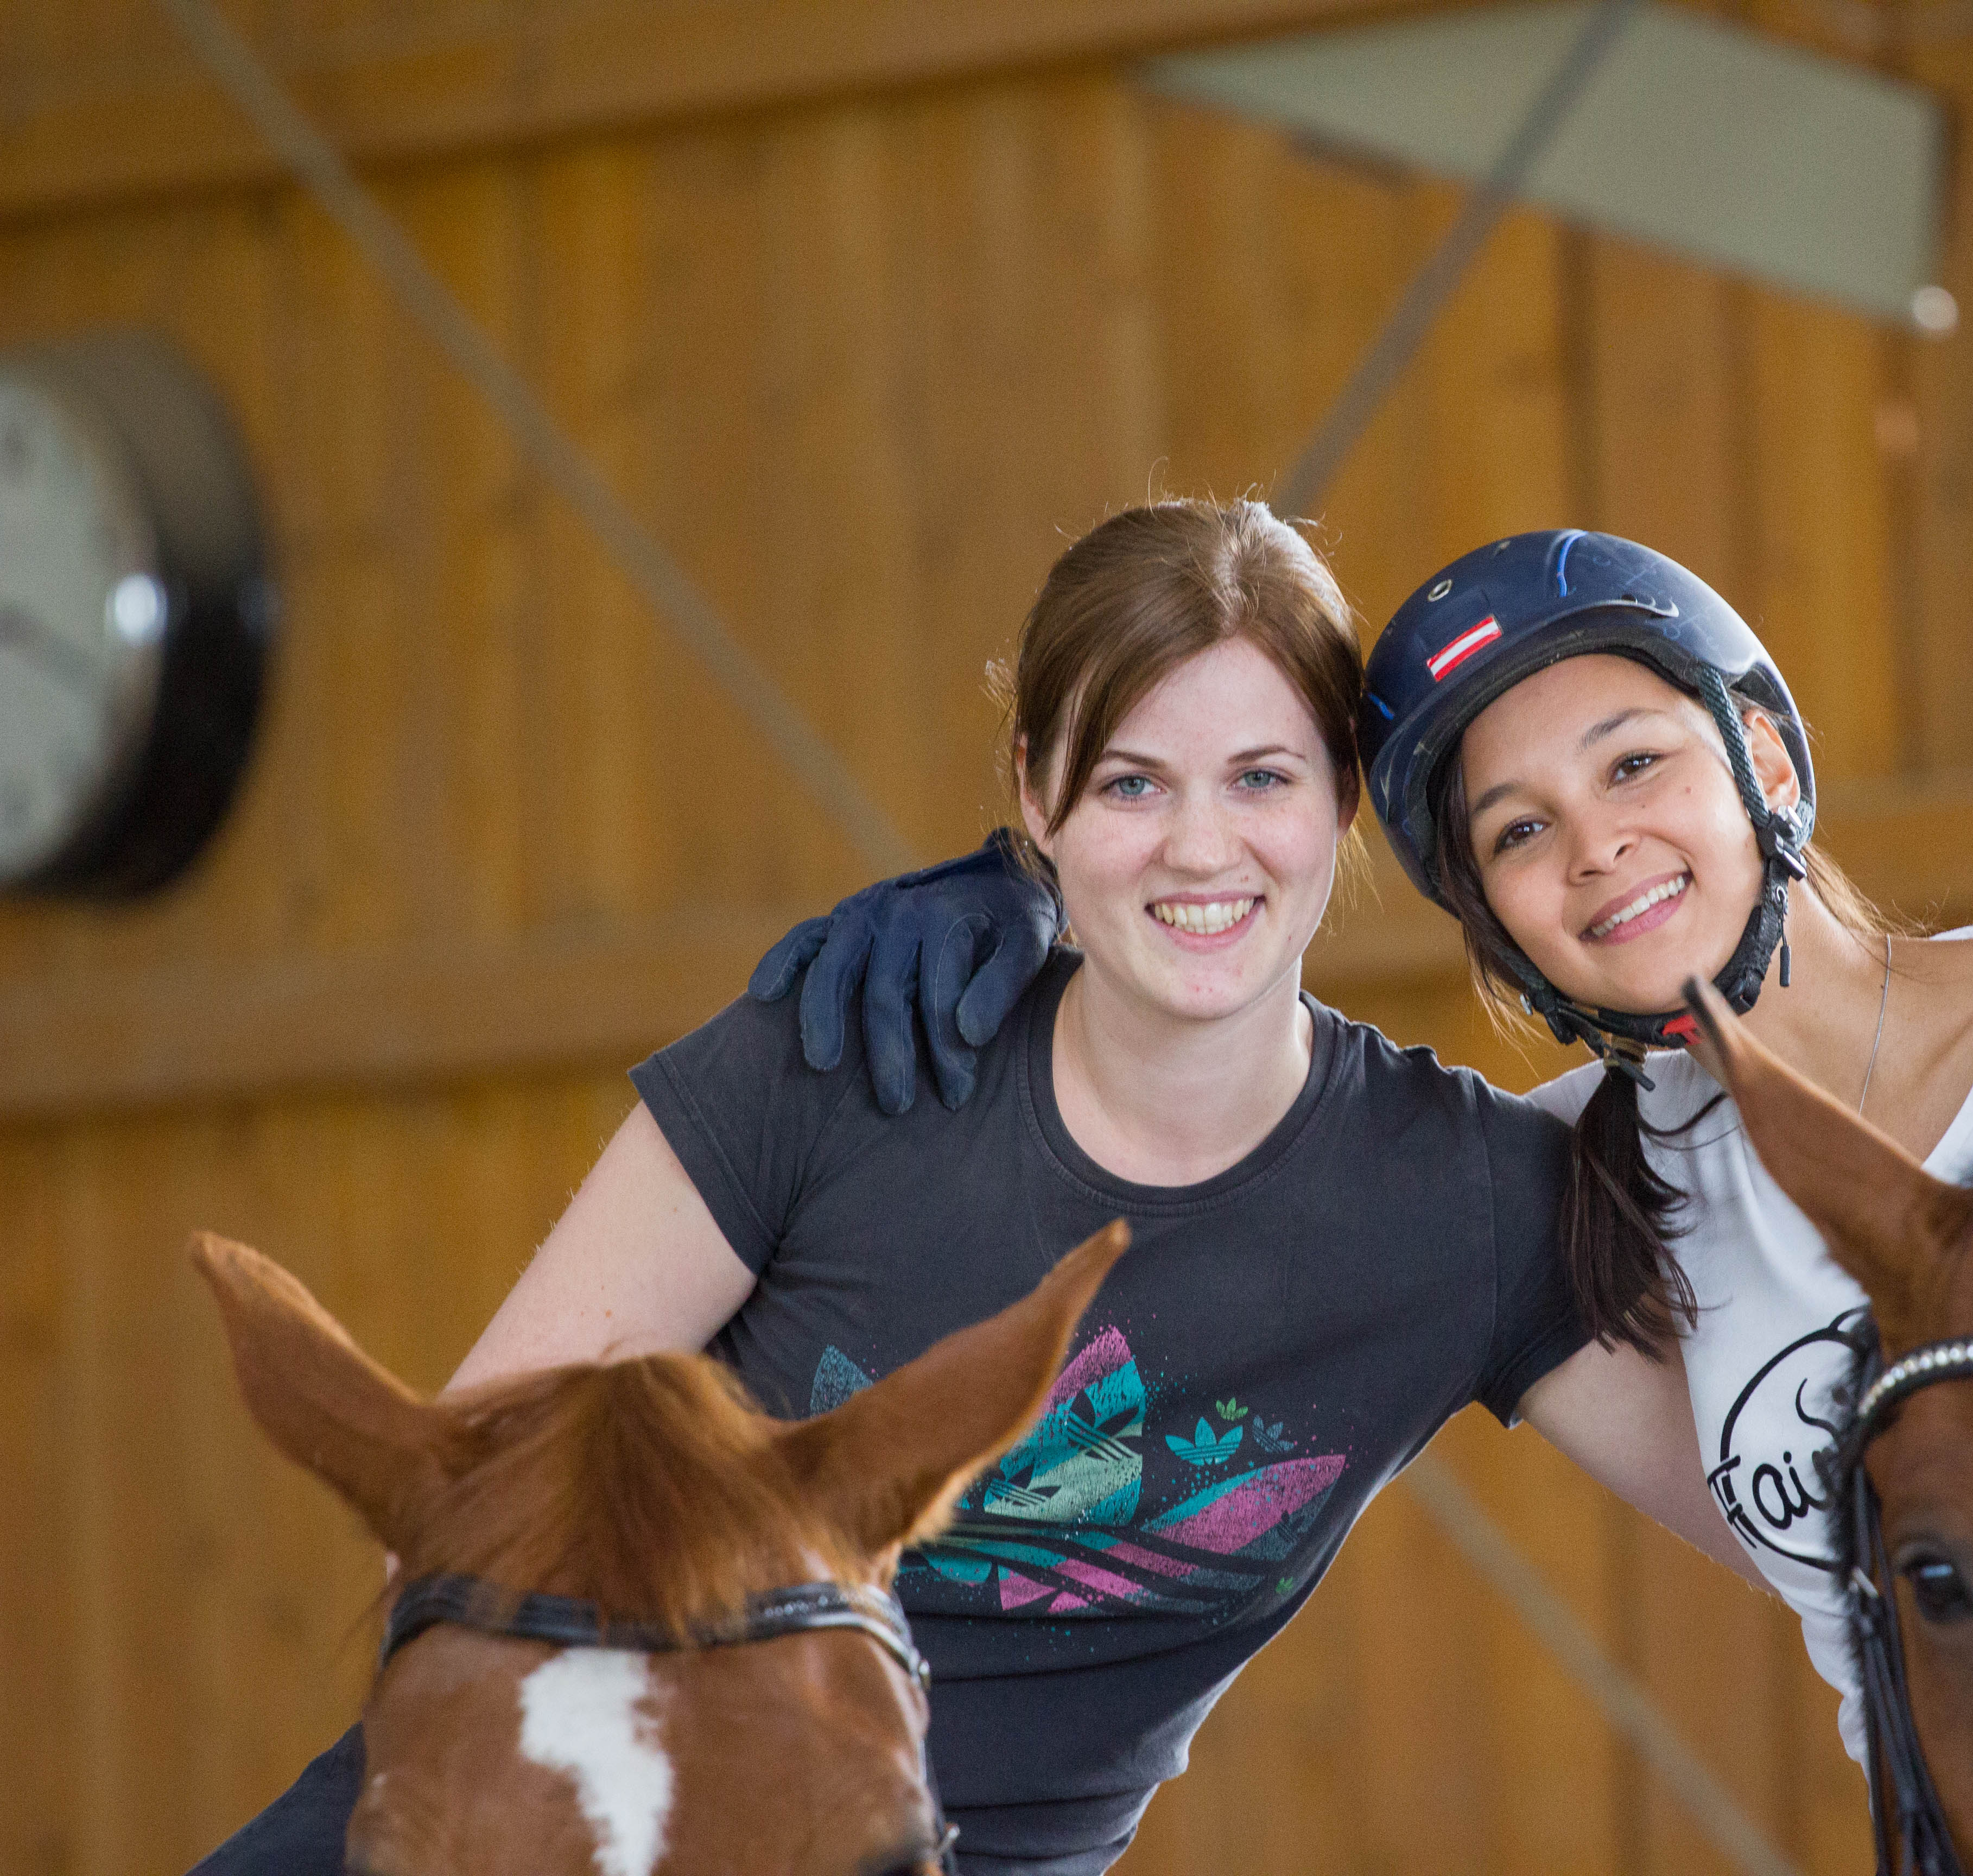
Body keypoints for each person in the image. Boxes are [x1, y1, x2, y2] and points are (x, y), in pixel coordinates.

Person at [792, 528, 1973, 1872]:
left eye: (1633, 763)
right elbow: (1239, 1158)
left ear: (1758, 753)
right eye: (1513, 832)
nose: (1590, 844)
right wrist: (1041, 910)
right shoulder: (1574, 1176)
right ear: (1496, 917)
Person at [192, 501, 1737, 1876]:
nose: (1201, 846)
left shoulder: (1465, 1207)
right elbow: (455, 1525)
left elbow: (1800, 1515)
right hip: (576, 1819)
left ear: (1340, 796)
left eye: (1260, 776)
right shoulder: (843, 1059)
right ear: (1036, 795)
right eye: (1130, 784)